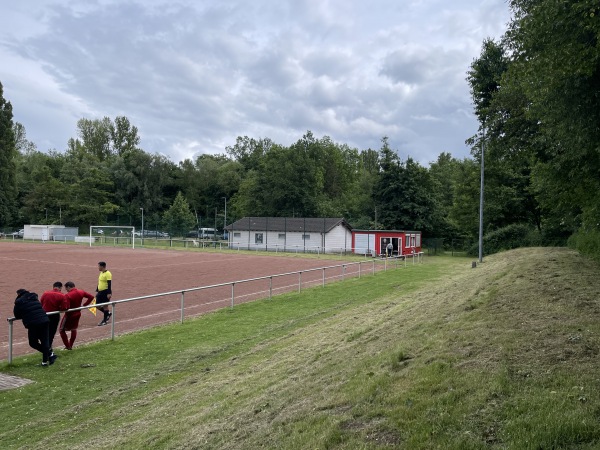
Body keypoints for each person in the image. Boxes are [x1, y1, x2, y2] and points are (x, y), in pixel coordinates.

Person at [13, 289, 56, 366]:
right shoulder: (34, 298)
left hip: (33, 323)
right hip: (44, 320)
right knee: (45, 341)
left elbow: (17, 315)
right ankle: (46, 360)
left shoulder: (19, 302)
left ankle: (49, 355)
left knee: (33, 342)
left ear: (18, 294)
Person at [60, 281, 95, 349]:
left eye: (66, 289)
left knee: (61, 330)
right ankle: (70, 345)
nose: (66, 290)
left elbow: (66, 307)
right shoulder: (81, 291)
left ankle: (67, 346)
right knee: (73, 329)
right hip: (78, 313)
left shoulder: (68, 295)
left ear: (69, 287)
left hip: (69, 315)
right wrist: (85, 305)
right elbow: (91, 297)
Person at [40, 281, 68, 358]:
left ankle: (47, 348)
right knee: (51, 333)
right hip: (54, 316)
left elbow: (41, 303)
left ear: (53, 287)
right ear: (60, 288)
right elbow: (64, 308)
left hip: (44, 315)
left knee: (44, 333)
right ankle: (49, 349)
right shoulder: (62, 295)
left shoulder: (45, 293)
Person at [96, 261, 113, 326]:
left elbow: (109, 283)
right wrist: (97, 289)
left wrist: (109, 293)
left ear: (102, 266)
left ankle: (104, 321)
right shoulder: (101, 273)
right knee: (97, 305)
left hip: (105, 292)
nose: (98, 267)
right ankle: (108, 313)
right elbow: (100, 282)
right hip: (100, 292)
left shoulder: (108, 273)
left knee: (105, 306)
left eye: (99, 266)